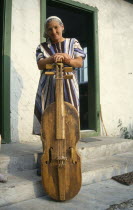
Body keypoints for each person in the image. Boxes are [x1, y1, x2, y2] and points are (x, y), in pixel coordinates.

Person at [33, 16, 86, 136]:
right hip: (48, 86)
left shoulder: (73, 42)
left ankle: (71, 149)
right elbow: (40, 65)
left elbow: (79, 63)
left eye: (56, 27)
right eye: (50, 29)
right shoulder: (42, 47)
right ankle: (48, 148)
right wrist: (53, 57)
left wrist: (66, 58)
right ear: (46, 32)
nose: (53, 31)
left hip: (68, 83)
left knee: (69, 114)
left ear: (62, 27)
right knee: (48, 115)